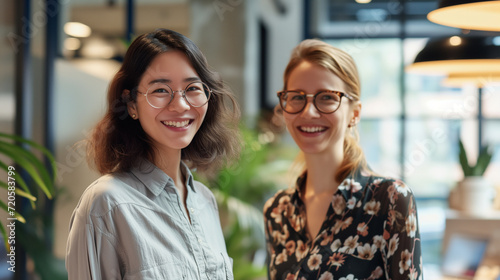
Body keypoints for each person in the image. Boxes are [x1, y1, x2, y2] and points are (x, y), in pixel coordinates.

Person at [66, 28, 240, 279]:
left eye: (192, 88)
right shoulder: (106, 205)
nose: (180, 105)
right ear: (132, 104)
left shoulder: (205, 200)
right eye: (160, 90)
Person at [263, 39, 422, 280]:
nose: (309, 112)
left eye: (326, 97)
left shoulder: (390, 198)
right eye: (296, 97)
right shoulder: (277, 210)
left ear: (354, 113)